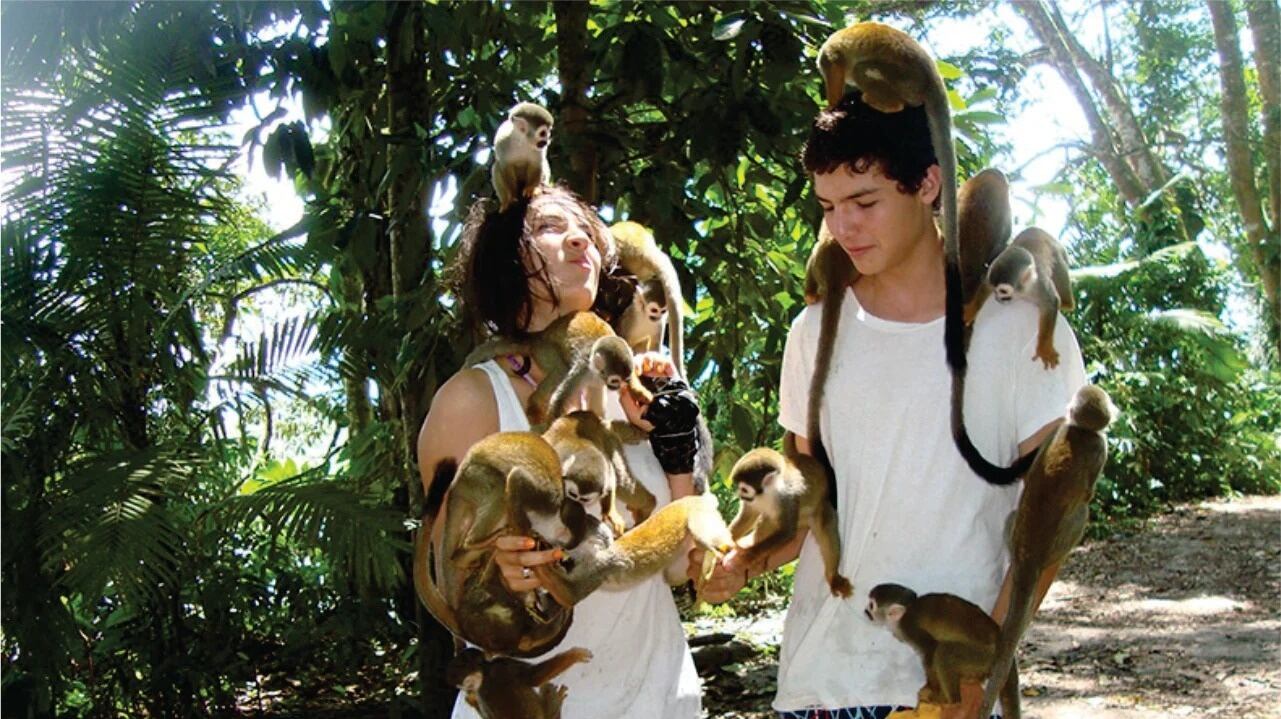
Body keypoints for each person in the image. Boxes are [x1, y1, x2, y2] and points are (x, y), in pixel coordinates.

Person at [695, 91, 1087, 718]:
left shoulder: (1018, 330)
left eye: (864, 202)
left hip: (940, 681)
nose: (842, 227)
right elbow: (810, 511)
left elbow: (1051, 523)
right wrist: (743, 562)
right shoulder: (814, 332)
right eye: (827, 207)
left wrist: (978, 674)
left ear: (929, 184)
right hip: (820, 681)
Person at [416, 185, 703, 719]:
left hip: (658, 697)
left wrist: (678, 452)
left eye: (586, 233)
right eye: (549, 227)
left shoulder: (634, 386)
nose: (579, 241)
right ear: (506, 258)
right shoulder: (472, 401)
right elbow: (444, 587)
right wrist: (492, 572)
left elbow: (682, 567)